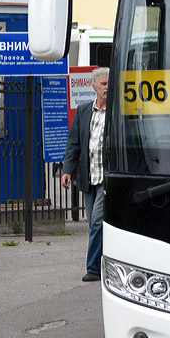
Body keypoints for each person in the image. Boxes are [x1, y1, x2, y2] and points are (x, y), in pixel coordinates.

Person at [61, 67, 108, 282]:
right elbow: (74, 145)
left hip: (107, 178)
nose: (106, 88)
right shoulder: (83, 111)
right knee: (93, 224)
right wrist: (67, 171)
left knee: (97, 222)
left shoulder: (115, 112)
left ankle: (93, 269)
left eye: (109, 84)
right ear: (94, 86)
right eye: (103, 84)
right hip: (89, 177)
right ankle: (109, 262)